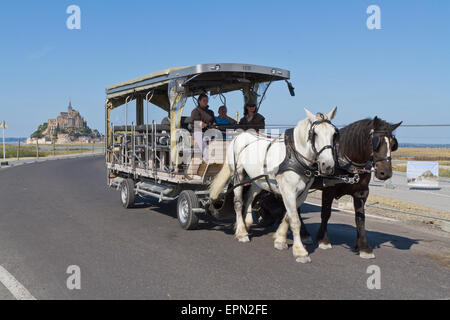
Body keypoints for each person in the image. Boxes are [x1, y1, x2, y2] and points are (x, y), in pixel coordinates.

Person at [190, 93, 216, 160]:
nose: (206, 102)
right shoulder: (195, 111)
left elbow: (214, 122)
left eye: (207, 101)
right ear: (199, 101)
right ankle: (207, 157)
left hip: (209, 132)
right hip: (198, 132)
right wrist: (206, 125)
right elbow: (198, 123)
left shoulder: (211, 112)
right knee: (200, 136)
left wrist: (214, 125)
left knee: (218, 136)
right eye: (204, 100)